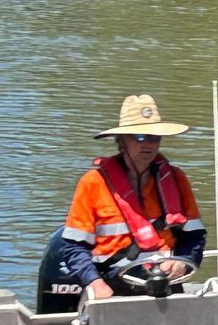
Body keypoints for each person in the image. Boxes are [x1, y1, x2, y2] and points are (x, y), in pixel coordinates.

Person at [57, 94, 206, 301]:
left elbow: (194, 237)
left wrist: (182, 261)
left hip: (167, 285)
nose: (148, 145)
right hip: (112, 288)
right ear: (122, 139)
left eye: (154, 137)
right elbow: (74, 247)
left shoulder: (177, 179)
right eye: (140, 136)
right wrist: (94, 283)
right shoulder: (92, 182)